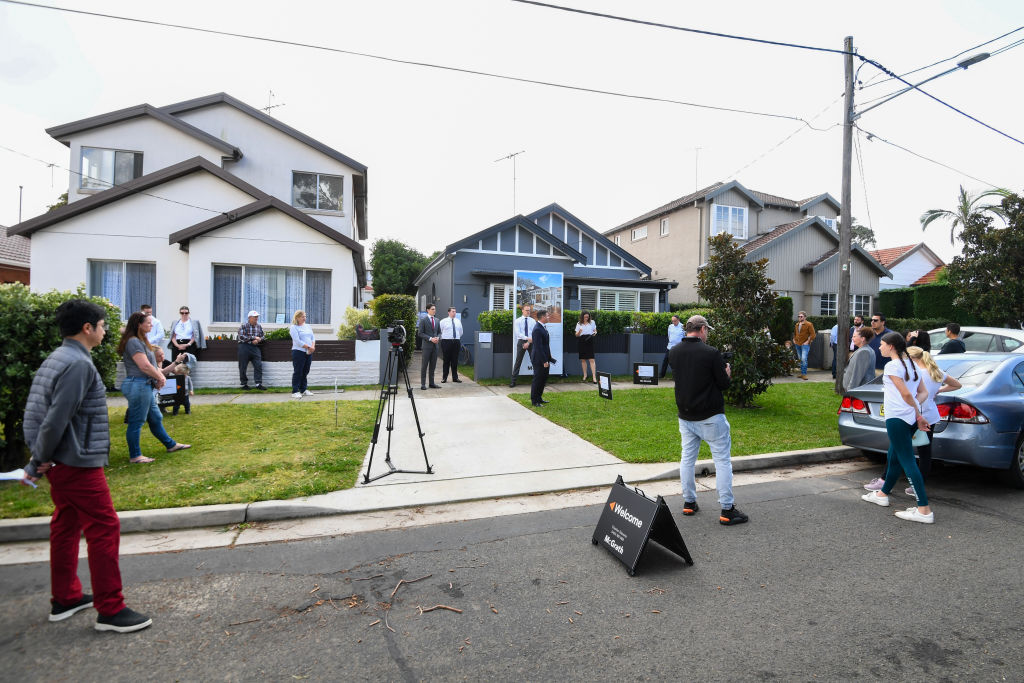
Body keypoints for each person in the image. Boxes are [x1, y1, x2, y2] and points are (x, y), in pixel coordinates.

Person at [21, 299, 153, 633]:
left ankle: (65, 597)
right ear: (87, 328)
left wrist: (41, 458)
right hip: (75, 462)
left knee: (65, 525)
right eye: (103, 325)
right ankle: (111, 609)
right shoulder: (78, 364)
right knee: (104, 526)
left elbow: (43, 413)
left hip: (62, 461)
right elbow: (55, 419)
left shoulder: (59, 357)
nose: (106, 330)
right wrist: (38, 461)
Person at [669, 314, 748, 526]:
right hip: (711, 416)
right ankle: (727, 509)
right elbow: (723, 384)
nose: (708, 334)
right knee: (722, 461)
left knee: (687, 459)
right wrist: (727, 371)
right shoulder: (711, 353)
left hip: (686, 416)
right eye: (707, 331)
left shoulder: (674, 352)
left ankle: (689, 502)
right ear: (702, 329)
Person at [861, 332, 934, 523]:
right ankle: (882, 495)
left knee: (907, 460)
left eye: (882, 344)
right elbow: (923, 392)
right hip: (908, 419)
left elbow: (906, 395)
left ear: (891, 346)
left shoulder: (892, 366)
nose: (880, 347)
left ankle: (924, 510)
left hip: (898, 418)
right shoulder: (912, 365)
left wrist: (917, 413)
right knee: (894, 457)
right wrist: (915, 412)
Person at [118, 312, 191, 464]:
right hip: (137, 384)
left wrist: (159, 376)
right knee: (137, 421)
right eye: (149, 323)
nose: (152, 325)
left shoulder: (141, 341)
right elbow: (144, 366)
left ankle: (170, 445)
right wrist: (160, 377)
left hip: (143, 384)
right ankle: (135, 455)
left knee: (156, 417)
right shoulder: (133, 342)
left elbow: (151, 365)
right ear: (139, 324)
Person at [906, 345, 962, 498]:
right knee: (925, 451)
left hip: (914, 414)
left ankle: (890, 480)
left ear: (913, 358)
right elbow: (957, 384)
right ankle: (920, 482)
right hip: (931, 414)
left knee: (903, 449)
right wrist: (939, 390)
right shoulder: (936, 372)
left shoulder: (915, 374)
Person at [530, 308, 555, 407]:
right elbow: (538, 347)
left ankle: (539, 398)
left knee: (543, 379)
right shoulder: (537, 329)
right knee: (538, 379)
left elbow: (545, 345)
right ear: (543, 317)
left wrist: (549, 358)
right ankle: (534, 400)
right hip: (539, 359)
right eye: (547, 315)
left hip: (544, 358)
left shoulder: (542, 327)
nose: (549, 317)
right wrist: (544, 360)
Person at [289, 310, 316, 399]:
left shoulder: (308, 326)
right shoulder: (294, 327)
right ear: (297, 318)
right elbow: (297, 341)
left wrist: (312, 346)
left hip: (308, 352)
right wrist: (308, 347)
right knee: (298, 371)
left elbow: (312, 337)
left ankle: (303, 389)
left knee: (305, 371)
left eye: (305, 316)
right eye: (302, 317)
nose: (304, 318)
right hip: (298, 352)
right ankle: (295, 391)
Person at [238, 310, 267, 390]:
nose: (256, 318)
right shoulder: (243, 326)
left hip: (255, 348)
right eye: (255, 317)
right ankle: (244, 384)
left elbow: (263, 336)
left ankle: (258, 384)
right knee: (243, 366)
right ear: (249, 318)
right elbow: (241, 337)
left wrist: (258, 340)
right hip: (244, 347)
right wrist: (253, 338)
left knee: (258, 365)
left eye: (257, 317)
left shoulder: (259, 326)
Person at [843, 327, 876, 392]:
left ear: (862, 339)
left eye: (854, 336)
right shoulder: (866, 350)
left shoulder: (863, 352)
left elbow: (857, 375)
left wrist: (850, 391)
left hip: (858, 391)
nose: (852, 338)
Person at [509, 304, 535, 388]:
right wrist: (527, 339)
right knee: (518, 361)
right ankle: (513, 381)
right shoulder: (517, 321)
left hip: (531, 342)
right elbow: (518, 333)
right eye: (527, 310)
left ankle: (537, 381)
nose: (528, 312)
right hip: (521, 342)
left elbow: (534, 332)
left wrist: (528, 341)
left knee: (534, 361)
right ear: (522, 311)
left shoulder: (533, 321)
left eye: (529, 310)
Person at [417, 304, 440, 390]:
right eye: (432, 309)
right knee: (424, 365)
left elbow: (439, 332)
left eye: (435, 309)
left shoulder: (437, 320)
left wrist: (438, 337)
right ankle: (423, 384)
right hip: (427, 346)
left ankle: (432, 383)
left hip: (435, 347)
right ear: (428, 310)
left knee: (433, 366)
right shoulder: (423, 320)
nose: (434, 310)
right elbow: (420, 333)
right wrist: (430, 338)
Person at [439, 306, 464, 383]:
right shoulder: (443, 321)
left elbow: (461, 332)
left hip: (456, 342)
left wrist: (456, 338)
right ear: (448, 312)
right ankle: (444, 378)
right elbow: (440, 331)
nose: (454, 313)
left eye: (455, 311)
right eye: (453, 311)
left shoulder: (458, 321)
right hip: (446, 342)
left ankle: (455, 378)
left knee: (455, 360)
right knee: (446, 360)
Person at [575, 310, 597, 383]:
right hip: (582, 341)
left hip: (590, 340)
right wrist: (580, 331)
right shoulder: (579, 323)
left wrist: (595, 333)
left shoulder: (592, 322)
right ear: (582, 317)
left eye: (587, 317)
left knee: (592, 359)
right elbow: (576, 335)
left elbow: (595, 330)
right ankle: (585, 375)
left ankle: (594, 377)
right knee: (583, 359)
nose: (586, 318)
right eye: (585, 317)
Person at [792, 311, 815, 380]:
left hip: (805, 345)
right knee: (800, 360)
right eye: (798, 316)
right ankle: (802, 373)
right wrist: (794, 339)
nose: (799, 317)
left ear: (805, 317)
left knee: (804, 359)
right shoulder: (797, 324)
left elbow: (813, 335)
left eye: (801, 316)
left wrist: (807, 341)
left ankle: (804, 374)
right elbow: (795, 333)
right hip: (797, 344)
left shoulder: (809, 324)